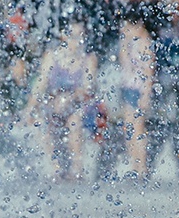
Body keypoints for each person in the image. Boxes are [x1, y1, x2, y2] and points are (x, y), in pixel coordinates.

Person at [27, 18, 98, 180]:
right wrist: (30, 107)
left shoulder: (88, 59)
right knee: (42, 121)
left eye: (81, 36)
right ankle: (56, 169)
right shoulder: (52, 56)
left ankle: (76, 169)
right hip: (54, 103)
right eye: (73, 36)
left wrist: (69, 97)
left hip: (80, 105)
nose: (77, 41)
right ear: (63, 36)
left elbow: (87, 89)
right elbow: (40, 84)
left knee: (75, 121)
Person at [104, 16, 157, 178]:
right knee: (129, 128)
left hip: (138, 89)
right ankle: (136, 164)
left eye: (127, 28)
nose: (123, 31)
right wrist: (125, 43)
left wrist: (146, 94)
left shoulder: (144, 43)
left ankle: (141, 167)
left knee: (137, 129)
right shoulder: (131, 43)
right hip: (129, 87)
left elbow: (149, 71)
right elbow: (124, 63)